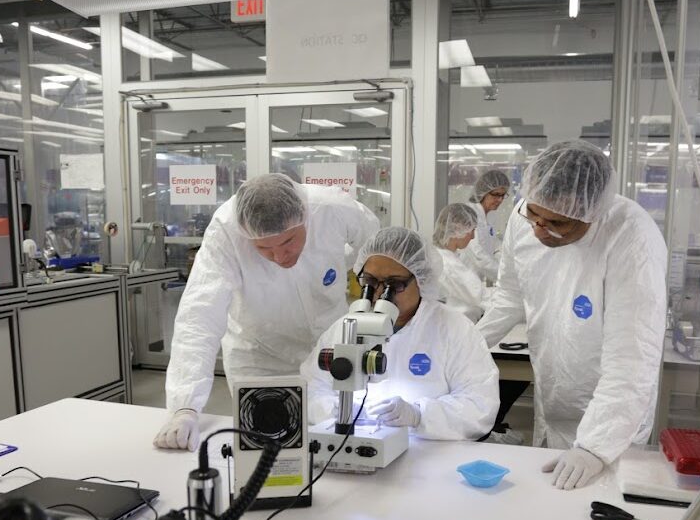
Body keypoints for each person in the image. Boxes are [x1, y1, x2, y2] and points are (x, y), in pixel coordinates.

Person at [477, 141, 668, 490]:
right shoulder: (528, 216)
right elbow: (509, 296)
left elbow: (632, 358)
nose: (539, 230)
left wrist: (595, 447)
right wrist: (467, 345)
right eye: (533, 216)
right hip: (552, 402)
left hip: (613, 424)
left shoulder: (632, 238)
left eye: (556, 223)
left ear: (592, 213)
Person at [154, 174, 380, 449]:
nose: (279, 256)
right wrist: (185, 407)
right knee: (265, 444)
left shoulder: (331, 208)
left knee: (339, 439)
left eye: (288, 242)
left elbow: (376, 246)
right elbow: (199, 316)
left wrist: (351, 268)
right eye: (263, 248)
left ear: (306, 218)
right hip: (259, 356)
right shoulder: (225, 231)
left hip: (329, 351)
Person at [302, 227, 499, 440]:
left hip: (432, 456)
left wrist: (418, 415)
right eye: (369, 282)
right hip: (356, 445)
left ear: (421, 279)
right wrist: (336, 409)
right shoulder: (346, 327)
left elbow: (480, 406)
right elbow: (310, 388)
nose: (378, 293)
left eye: (394, 285)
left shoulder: (454, 329)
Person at [432, 203, 491, 321]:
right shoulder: (448, 264)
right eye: (472, 230)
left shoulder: (443, 256)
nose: (473, 237)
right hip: (458, 328)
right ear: (457, 228)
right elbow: (482, 296)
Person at [463, 169, 510, 281]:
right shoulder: (468, 214)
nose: (500, 200)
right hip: (464, 279)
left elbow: (495, 245)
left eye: (503, 195)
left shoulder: (489, 216)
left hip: (477, 279)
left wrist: (505, 260)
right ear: (483, 191)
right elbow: (477, 255)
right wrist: (503, 275)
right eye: (496, 195)